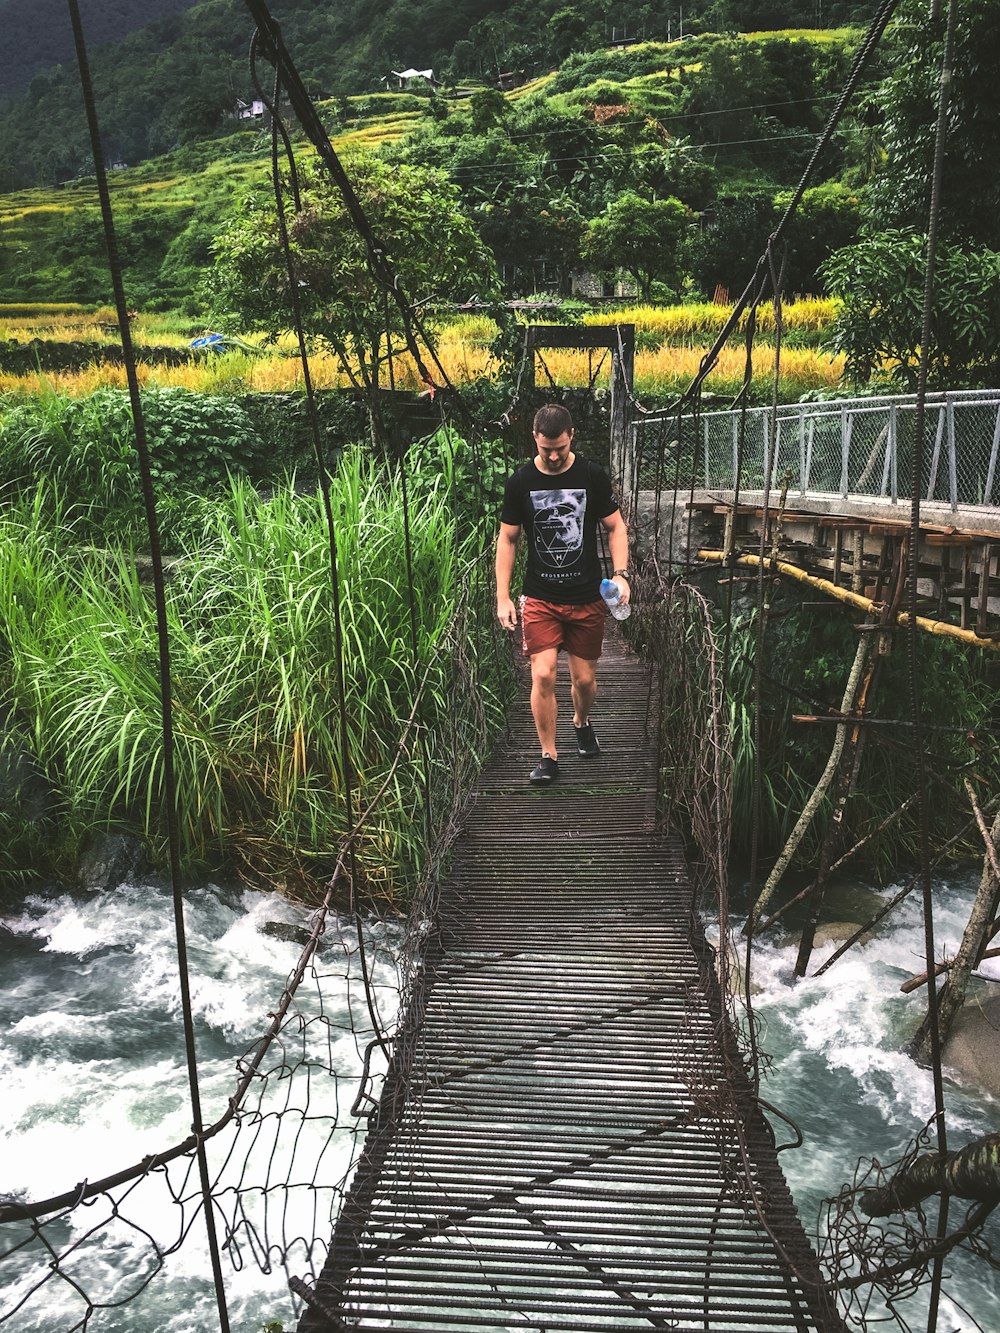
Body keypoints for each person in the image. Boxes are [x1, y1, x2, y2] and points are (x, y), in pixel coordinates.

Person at [495, 403, 631, 785]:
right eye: (545, 449)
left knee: (584, 681)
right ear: (534, 440)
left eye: (559, 447)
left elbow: (615, 527)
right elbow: (508, 537)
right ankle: (548, 756)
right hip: (540, 597)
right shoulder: (520, 482)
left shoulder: (592, 475)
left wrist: (621, 575)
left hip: (587, 596)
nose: (553, 457)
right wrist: (502, 596)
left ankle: (581, 721)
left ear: (571, 436)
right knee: (543, 675)